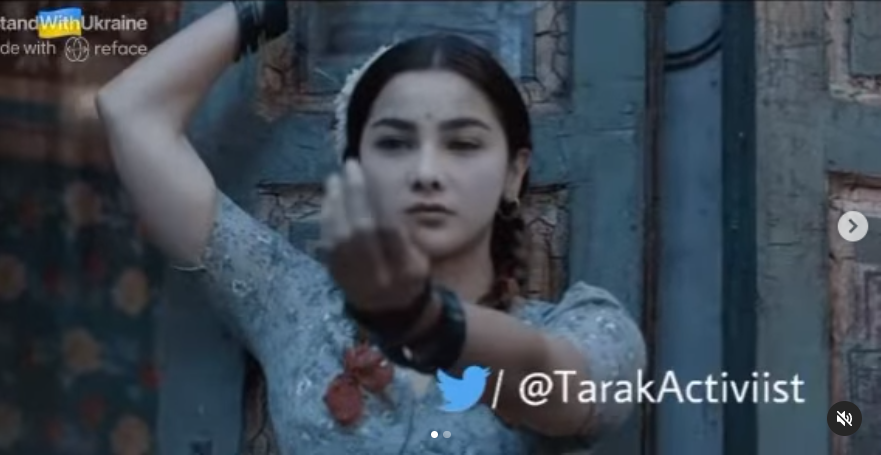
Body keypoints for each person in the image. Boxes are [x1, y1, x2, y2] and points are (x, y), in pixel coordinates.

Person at [95, 1, 647, 453]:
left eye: (462, 144)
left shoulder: (587, 329)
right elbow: (130, 111)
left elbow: (554, 383)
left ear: (514, 172)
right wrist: (271, 8)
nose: (426, 172)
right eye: (395, 143)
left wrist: (430, 321)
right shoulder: (296, 307)